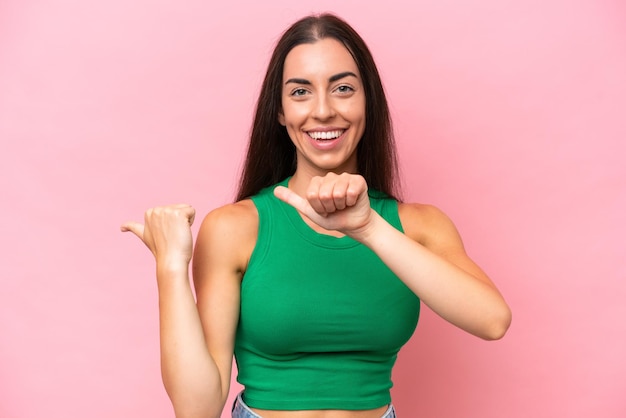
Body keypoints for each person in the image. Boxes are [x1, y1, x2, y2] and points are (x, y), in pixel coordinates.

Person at [121, 13, 511, 418]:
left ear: (368, 102)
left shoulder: (419, 225)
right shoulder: (234, 228)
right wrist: (170, 268)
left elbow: (492, 320)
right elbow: (196, 409)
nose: (323, 111)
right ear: (280, 111)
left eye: (343, 88)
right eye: (301, 92)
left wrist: (369, 228)